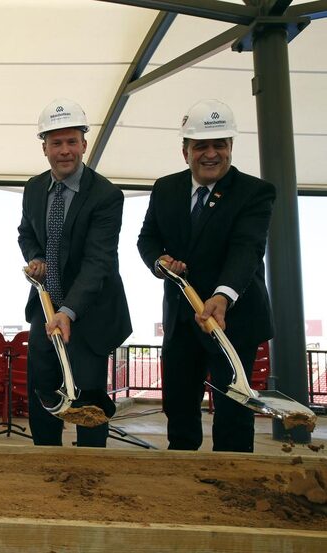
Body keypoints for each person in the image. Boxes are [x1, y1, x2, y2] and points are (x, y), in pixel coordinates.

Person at [137, 99, 275, 452]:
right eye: (201, 146)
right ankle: (183, 484)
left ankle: (232, 488)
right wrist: (159, 262)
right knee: (180, 408)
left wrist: (222, 295)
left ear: (231, 148)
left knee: (233, 411)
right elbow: (147, 238)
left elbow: (247, 249)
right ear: (185, 151)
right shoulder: (166, 189)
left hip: (233, 321)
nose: (211, 154)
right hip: (183, 320)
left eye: (220, 145)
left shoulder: (255, 193)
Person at [18, 98, 131, 447]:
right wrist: (37, 258)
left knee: (89, 398)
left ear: (84, 143)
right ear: (44, 148)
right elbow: (27, 234)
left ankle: (90, 470)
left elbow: (98, 262)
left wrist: (69, 311)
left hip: (91, 312)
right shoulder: (34, 188)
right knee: (42, 387)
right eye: (56, 143)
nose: (64, 150)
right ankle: (46, 460)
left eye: (71, 141)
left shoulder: (106, 196)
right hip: (46, 308)